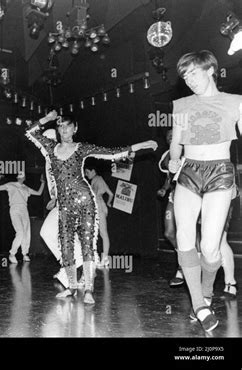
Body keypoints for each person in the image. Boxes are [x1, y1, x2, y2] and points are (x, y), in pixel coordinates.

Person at [26, 111, 157, 304]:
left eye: (68, 126)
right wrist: (47, 119)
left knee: (87, 243)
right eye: (61, 126)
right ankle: (71, 287)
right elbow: (30, 132)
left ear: (75, 129)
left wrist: (140, 146)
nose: (64, 130)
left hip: (84, 200)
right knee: (66, 245)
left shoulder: (81, 148)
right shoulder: (50, 147)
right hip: (65, 204)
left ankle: (89, 289)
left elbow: (112, 153)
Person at [169, 50, 242, 332]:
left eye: (193, 73)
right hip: (189, 171)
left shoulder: (235, 103)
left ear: (211, 70)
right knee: (185, 239)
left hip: (220, 172)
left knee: (211, 249)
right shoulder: (183, 106)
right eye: (184, 76)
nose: (188, 79)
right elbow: (176, 143)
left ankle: (207, 292)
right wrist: (174, 157)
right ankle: (199, 304)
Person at [39, 128, 84, 289]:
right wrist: (54, 198)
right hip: (63, 202)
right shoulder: (49, 158)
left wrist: (58, 198)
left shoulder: (59, 155)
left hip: (69, 201)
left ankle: (76, 265)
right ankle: (72, 268)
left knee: (51, 233)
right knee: (54, 234)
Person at [0, 170, 45, 264]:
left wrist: (43, 183)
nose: (21, 177)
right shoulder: (11, 185)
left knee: (26, 232)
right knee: (20, 232)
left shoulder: (26, 188)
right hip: (15, 209)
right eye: (19, 176)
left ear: (24, 178)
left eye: (22, 176)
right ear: (18, 177)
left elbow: (39, 193)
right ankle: (12, 254)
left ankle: (25, 253)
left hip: (24, 210)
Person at [157, 130, 185, 286]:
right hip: (174, 195)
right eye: (168, 136)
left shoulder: (189, 150)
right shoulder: (167, 155)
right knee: (169, 232)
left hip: (190, 196)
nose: (171, 138)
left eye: (173, 135)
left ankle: (182, 269)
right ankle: (185, 258)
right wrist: (164, 188)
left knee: (187, 233)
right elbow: (169, 176)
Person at [84, 160, 114, 268]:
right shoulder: (99, 179)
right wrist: (109, 203)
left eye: (87, 172)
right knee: (100, 233)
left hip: (98, 206)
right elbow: (111, 194)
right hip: (100, 206)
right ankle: (102, 259)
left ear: (93, 171)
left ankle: (104, 259)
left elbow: (95, 193)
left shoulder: (97, 179)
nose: (87, 175)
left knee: (103, 233)